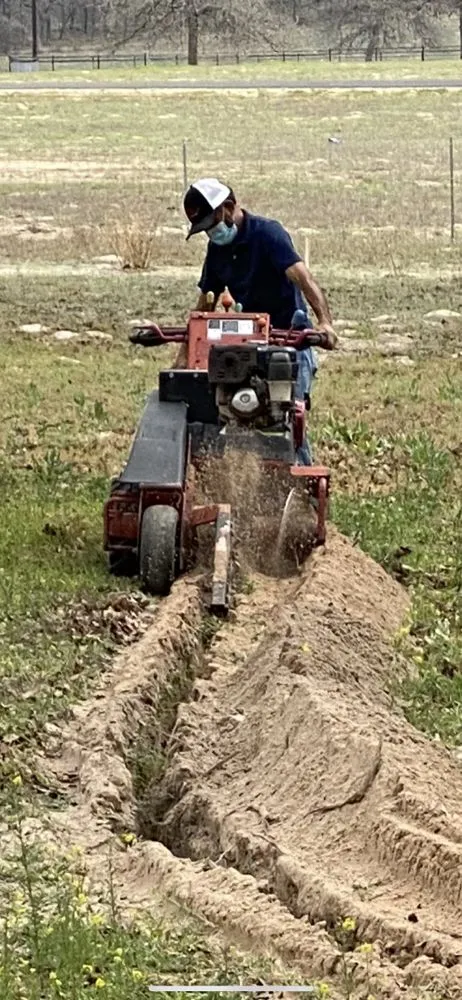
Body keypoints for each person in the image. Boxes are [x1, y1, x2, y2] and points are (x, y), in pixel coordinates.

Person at [182, 177, 337, 464]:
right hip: (249, 342)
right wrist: (185, 354)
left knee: (287, 419)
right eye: (203, 230)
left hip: (288, 340)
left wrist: (324, 323)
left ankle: (301, 486)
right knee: (234, 410)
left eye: (211, 226)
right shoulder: (217, 251)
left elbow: (303, 279)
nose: (210, 235)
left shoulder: (268, 234)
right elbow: (207, 301)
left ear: (228, 208)